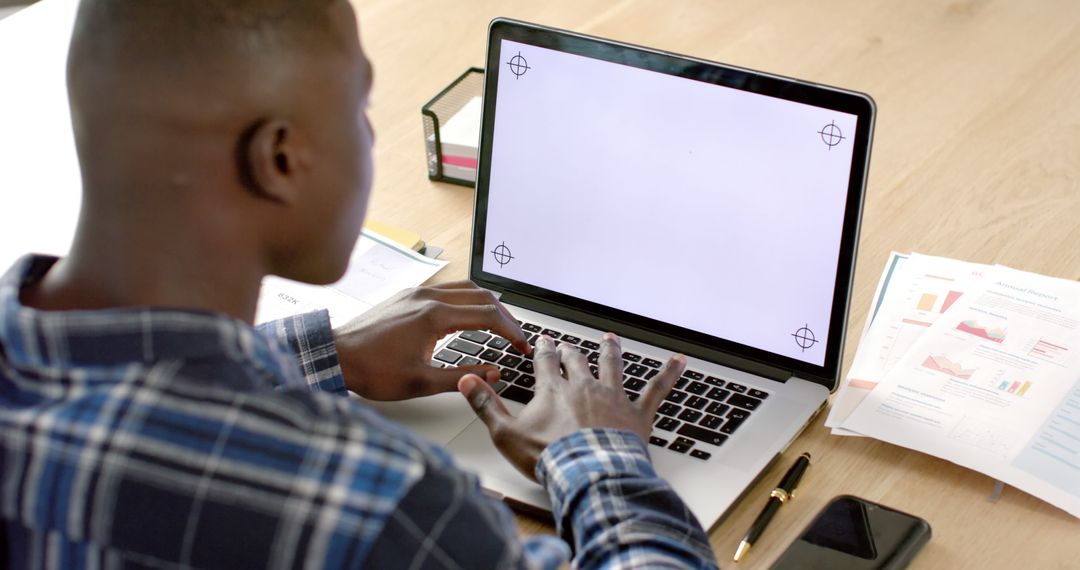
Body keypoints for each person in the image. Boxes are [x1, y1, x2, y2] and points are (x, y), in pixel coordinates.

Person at [0, 1, 720, 568]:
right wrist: (597, 454)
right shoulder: (379, 510)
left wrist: (320, 355)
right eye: (359, 106)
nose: (372, 138)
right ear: (280, 158)